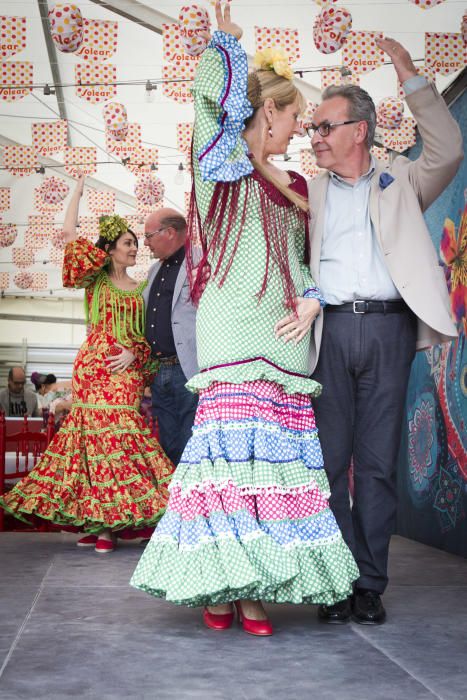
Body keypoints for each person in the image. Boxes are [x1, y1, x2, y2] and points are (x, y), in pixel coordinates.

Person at [131, 1, 358, 636]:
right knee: (227, 465)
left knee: (275, 469)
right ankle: (221, 582)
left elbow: (307, 259)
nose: (299, 130)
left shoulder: (299, 187)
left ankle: (252, 586)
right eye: (292, 117)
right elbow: (210, 114)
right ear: (268, 112)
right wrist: (224, 49)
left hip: (284, 335)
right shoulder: (220, 171)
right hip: (231, 328)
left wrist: (314, 295)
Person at [306, 38, 462, 625]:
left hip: (392, 331)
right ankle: (332, 578)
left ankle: (368, 583)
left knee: (374, 464)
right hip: (331, 332)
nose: (315, 134)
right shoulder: (307, 192)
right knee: (327, 460)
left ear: (360, 131)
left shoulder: (402, 177)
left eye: (326, 125)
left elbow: (448, 147)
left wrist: (412, 78)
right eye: (314, 126)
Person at [0, 175, 174, 553]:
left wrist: (134, 354)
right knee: (92, 445)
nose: (135, 249)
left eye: (135, 243)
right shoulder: (93, 280)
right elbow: (67, 237)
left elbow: (148, 337)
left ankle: (113, 525)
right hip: (93, 369)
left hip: (125, 372)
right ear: (110, 248)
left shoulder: (142, 287)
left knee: (119, 440)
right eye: (128, 243)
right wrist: (77, 191)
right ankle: (102, 526)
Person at [143, 209, 198, 466]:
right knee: (167, 443)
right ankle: (173, 502)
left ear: (170, 232)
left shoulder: (201, 260)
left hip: (187, 367)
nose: (145, 243)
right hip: (159, 369)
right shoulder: (153, 270)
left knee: (191, 440)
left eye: (148, 236)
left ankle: (192, 503)